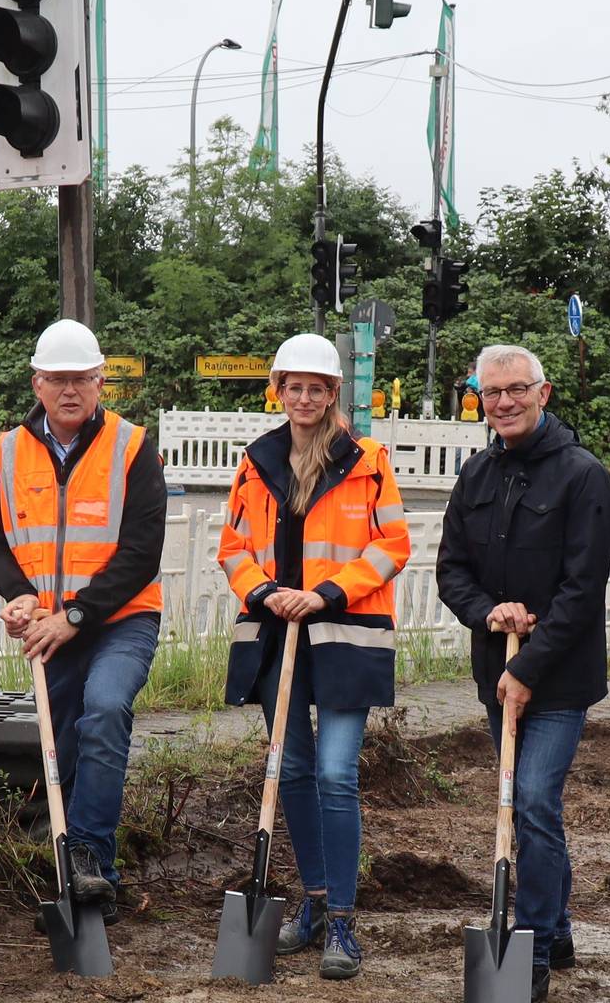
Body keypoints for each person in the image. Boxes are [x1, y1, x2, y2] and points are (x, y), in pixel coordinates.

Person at [220, 332, 413, 982]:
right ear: (278, 390)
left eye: (316, 387)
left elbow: (392, 547)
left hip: (345, 636)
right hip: (278, 634)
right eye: (292, 386)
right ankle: (315, 901)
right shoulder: (257, 460)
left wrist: (326, 593)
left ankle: (342, 924)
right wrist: (268, 592)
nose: (303, 397)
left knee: (334, 773)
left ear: (333, 394)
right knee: (292, 772)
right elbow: (232, 547)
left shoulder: (367, 460)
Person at [433, 343, 610, 1003]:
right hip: (497, 672)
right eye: (491, 393)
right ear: (479, 400)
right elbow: (450, 570)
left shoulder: (583, 477)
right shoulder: (476, 475)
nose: (504, 402)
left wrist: (531, 667)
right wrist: (490, 614)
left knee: (533, 800)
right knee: (530, 810)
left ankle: (533, 944)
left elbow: (581, 588)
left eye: (516, 390)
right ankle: (559, 926)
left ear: (544, 393)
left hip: (560, 680)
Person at [0, 319, 168, 919]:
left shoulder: (133, 447)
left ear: (101, 381)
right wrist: (21, 595)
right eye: (58, 379)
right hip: (47, 626)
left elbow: (141, 552)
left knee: (105, 710)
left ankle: (86, 854)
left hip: (121, 620)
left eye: (81, 378)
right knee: (63, 745)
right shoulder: (6, 452)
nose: (70, 390)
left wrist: (76, 614)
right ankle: (91, 878)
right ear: (37, 383)